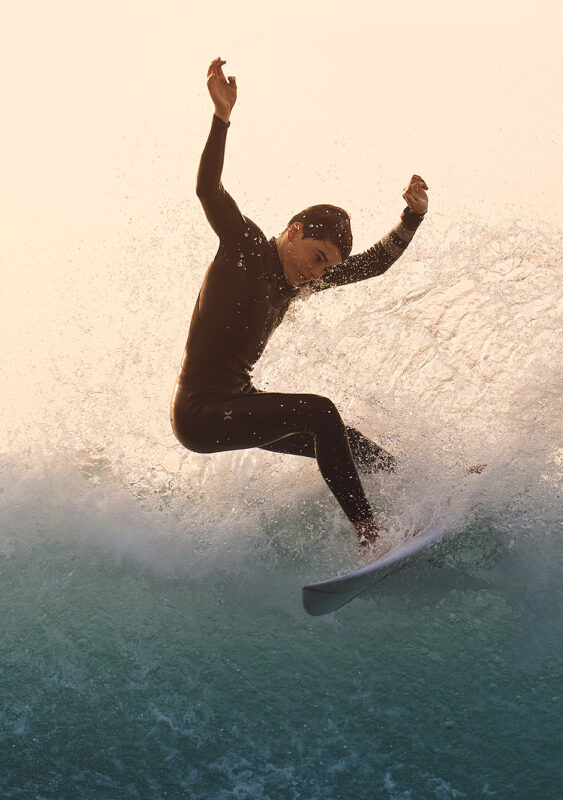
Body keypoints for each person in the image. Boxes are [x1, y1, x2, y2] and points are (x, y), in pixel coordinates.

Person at [171, 58, 429, 547]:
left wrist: (410, 218)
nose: (317, 273)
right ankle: (370, 535)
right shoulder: (245, 246)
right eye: (316, 257)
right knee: (320, 412)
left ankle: (416, 483)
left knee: (336, 435)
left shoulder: (297, 281)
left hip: (235, 401)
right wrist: (221, 117)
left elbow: (373, 264)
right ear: (293, 233)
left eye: (326, 268)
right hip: (200, 414)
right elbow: (208, 189)